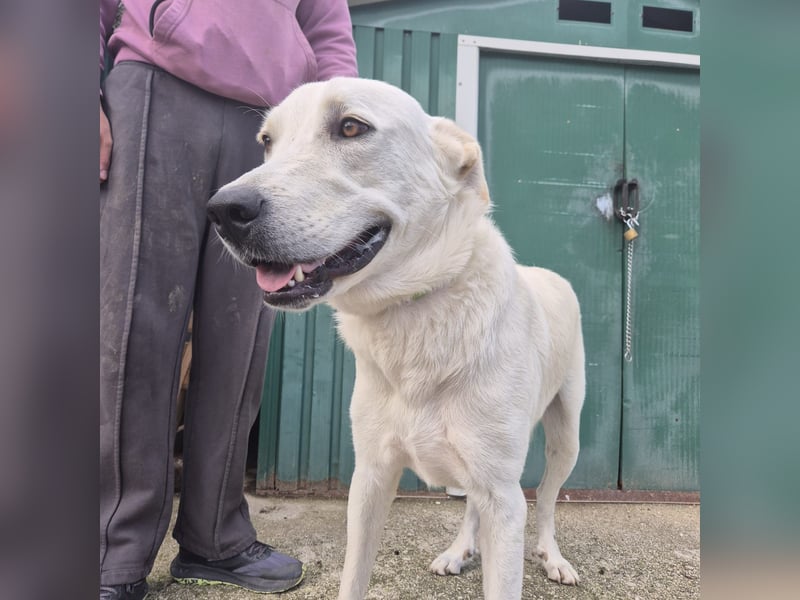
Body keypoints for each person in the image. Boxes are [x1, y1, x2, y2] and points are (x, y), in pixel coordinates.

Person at [98, 2, 358, 599]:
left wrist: (333, 124)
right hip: (157, 83)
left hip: (270, 118)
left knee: (241, 339)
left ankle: (215, 538)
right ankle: (111, 553)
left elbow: (327, 27)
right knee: (135, 329)